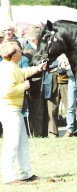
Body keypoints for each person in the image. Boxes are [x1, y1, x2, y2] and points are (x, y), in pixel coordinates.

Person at [0, 41, 46, 184]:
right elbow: (7, 91)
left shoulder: (11, 66)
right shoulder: (8, 69)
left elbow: (22, 72)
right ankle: (9, 177)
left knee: (22, 143)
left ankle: (25, 173)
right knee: (12, 144)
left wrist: (37, 68)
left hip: (15, 110)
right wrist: (23, 86)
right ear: (13, 55)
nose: (22, 52)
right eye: (19, 51)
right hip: (10, 110)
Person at [44, 57, 68, 138]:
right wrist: (59, 64)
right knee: (51, 109)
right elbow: (46, 63)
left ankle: (71, 130)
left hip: (66, 80)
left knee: (69, 107)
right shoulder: (49, 48)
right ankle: (52, 133)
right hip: (51, 80)